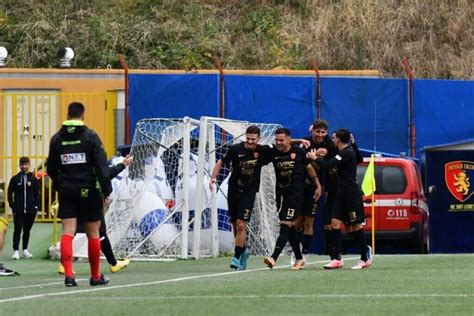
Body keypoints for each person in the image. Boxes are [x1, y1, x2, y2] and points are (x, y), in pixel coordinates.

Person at [47, 101, 112, 287]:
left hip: (66, 189)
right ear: (83, 116)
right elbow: (101, 166)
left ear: (68, 116)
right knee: (93, 233)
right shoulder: (90, 136)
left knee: (68, 231)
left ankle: (69, 274)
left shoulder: (56, 139)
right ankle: (95, 276)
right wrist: (106, 190)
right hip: (88, 189)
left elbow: (51, 168)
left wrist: (61, 184)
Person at [57, 155, 133, 275]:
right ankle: (110, 266)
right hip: (90, 201)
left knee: (70, 232)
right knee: (100, 232)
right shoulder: (94, 163)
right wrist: (123, 165)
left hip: (73, 200)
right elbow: (106, 175)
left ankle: (63, 265)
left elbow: (56, 174)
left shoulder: (72, 164)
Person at [209, 125, 271, 270]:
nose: (250, 142)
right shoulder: (235, 149)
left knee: (242, 224)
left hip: (249, 192)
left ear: (258, 139)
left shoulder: (262, 151)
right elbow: (221, 162)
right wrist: (213, 178)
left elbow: (282, 143)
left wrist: (299, 141)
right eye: (248, 139)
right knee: (235, 224)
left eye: (253, 140)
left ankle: (236, 256)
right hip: (234, 190)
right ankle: (243, 251)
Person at [264, 128, 321, 270]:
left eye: (281, 140)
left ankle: (273, 257)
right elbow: (262, 147)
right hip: (281, 196)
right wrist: (299, 140)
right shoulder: (273, 152)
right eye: (276, 140)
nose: (278, 143)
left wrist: (318, 186)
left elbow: (309, 169)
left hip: (296, 196)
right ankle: (300, 259)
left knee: (284, 226)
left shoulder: (299, 153)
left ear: (289, 140)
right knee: (291, 230)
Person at [315, 128, 372, 270]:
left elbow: (328, 165)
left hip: (351, 195)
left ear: (339, 140)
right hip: (340, 194)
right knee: (334, 223)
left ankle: (365, 257)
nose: (332, 140)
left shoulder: (346, 153)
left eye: (334, 138)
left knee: (354, 227)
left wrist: (315, 157)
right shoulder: (344, 152)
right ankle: (336, 259)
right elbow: (358, 159)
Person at [291, 119, 336, 265]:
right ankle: (296, 251)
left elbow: (332, 162)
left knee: (309, 221)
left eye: (323, 132)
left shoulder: (329, 144)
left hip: (316, 188)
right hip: (300, 187)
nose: (320, 135)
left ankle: (305, 254)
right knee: (297, 222)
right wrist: (315, 153)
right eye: (318, 131)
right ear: (312, 131)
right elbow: (299, 159)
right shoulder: (306, 143)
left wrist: (322, 186)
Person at [7, 156, 40, 260]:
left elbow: (37, 194)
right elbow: (9, 193)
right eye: (22, 164)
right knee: (17, 230)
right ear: (19, 165)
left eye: (26, 164)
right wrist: (13, 207)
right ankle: (15, 251)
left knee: (27, 230)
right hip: (19, 211)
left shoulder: (33, 179)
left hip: (30, 211)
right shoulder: (15, 179)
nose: (24, 167)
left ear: (29, 165)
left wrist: (35, 207)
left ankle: (25, 250)